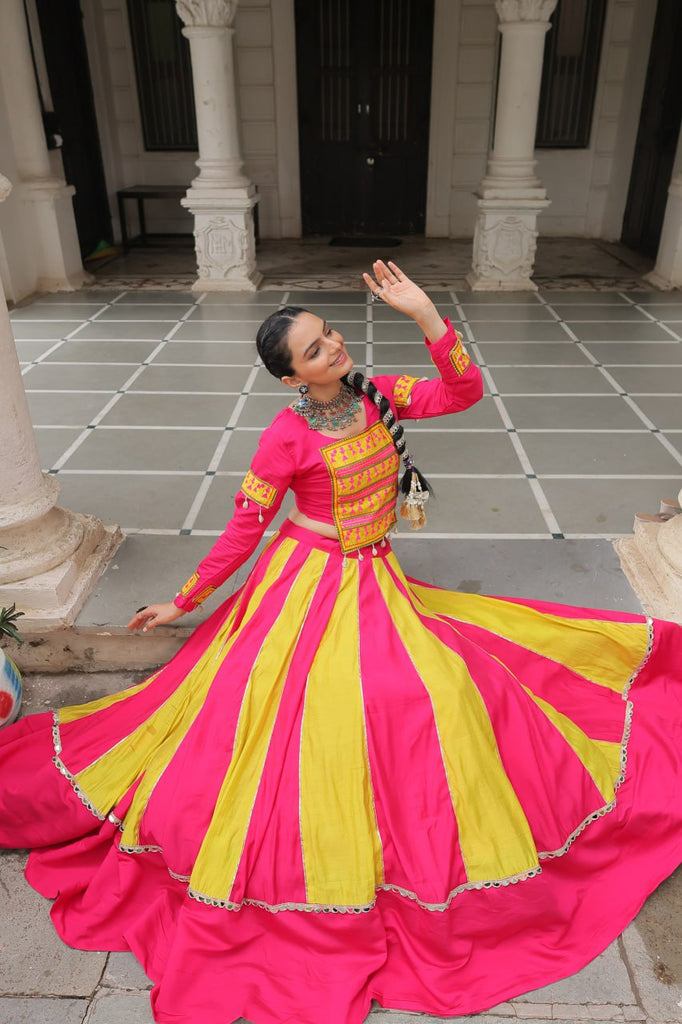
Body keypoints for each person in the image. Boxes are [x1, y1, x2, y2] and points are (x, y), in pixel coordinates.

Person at [1, 261, 682, 1024]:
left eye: (330, 338)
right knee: (330, 713)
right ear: (290, 376)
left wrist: (427, 315)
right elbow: (243, 531)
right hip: (309, 584)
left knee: (450, 685)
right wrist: (184, 599)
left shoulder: (378, 394)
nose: (334, 351)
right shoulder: (284, 438)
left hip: (378, 576)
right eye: (316, 350)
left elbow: (463, 394)